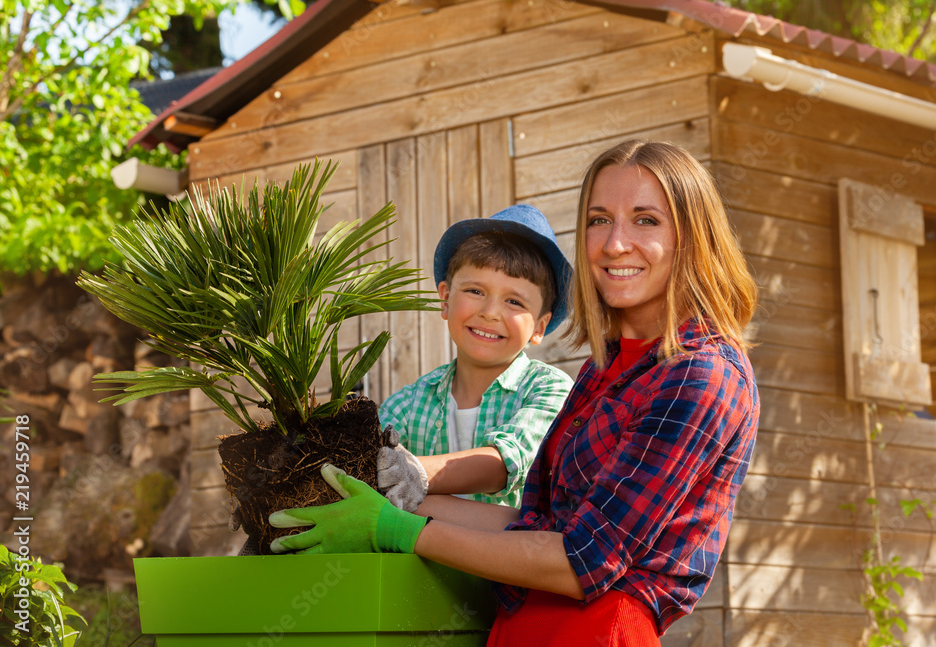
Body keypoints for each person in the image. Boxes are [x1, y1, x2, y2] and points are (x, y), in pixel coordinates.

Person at [268, 139, 760, 644]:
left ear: (693, 238)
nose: (614, 243)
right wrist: (390, 501)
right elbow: (534, 526)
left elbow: (582, 563)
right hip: (520, 624)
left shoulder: (699, 376)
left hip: (594, 631)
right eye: (597, 219)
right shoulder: (608, 368)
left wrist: (398, 530)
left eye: (645, 220)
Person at [376, 204, 575, 511]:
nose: (490, 312)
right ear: (444, 298)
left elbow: (503, 463)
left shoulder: (550, 390)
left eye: (514, 301)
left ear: (539, 327)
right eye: (475, 290)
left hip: (512, 558)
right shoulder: (406, 406)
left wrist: (414, 472)